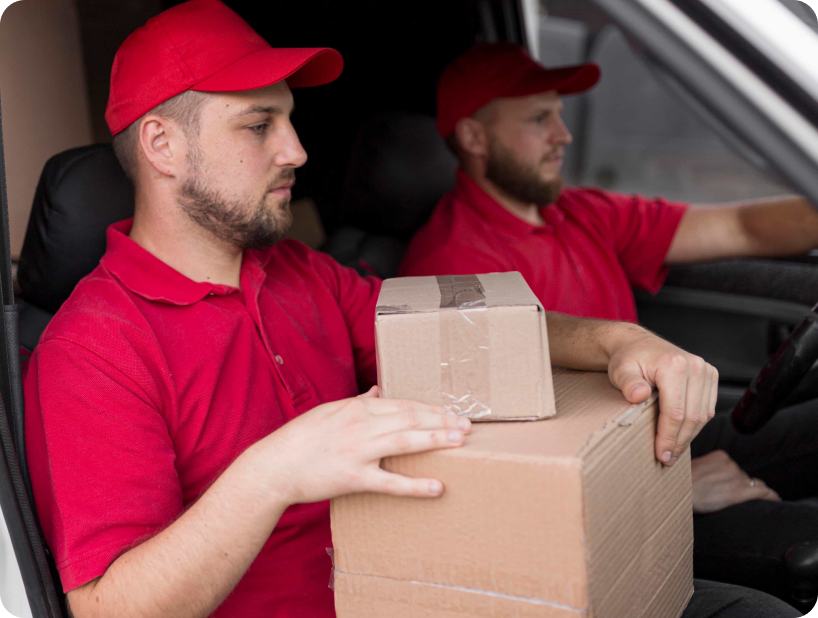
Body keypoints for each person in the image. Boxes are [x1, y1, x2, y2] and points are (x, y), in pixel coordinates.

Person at [22, 2, 799, 617]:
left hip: (445, 583)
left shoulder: (305, 275)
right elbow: (110, 607)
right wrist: (271, 473)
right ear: (161, 144)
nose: (295, 150)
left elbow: (475, 334)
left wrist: (617, 340)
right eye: (260, 125)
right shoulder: (93, 349)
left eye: (290, 121)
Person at [399, 42, 818, 597]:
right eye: (538, 118)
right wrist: (666, 490)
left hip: (669, 434)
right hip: (610, 490)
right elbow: (501, 476)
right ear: (475, 137)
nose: (563, 136)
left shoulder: (579, 211)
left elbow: (743, 228)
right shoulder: (449, 270)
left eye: (561, 117)